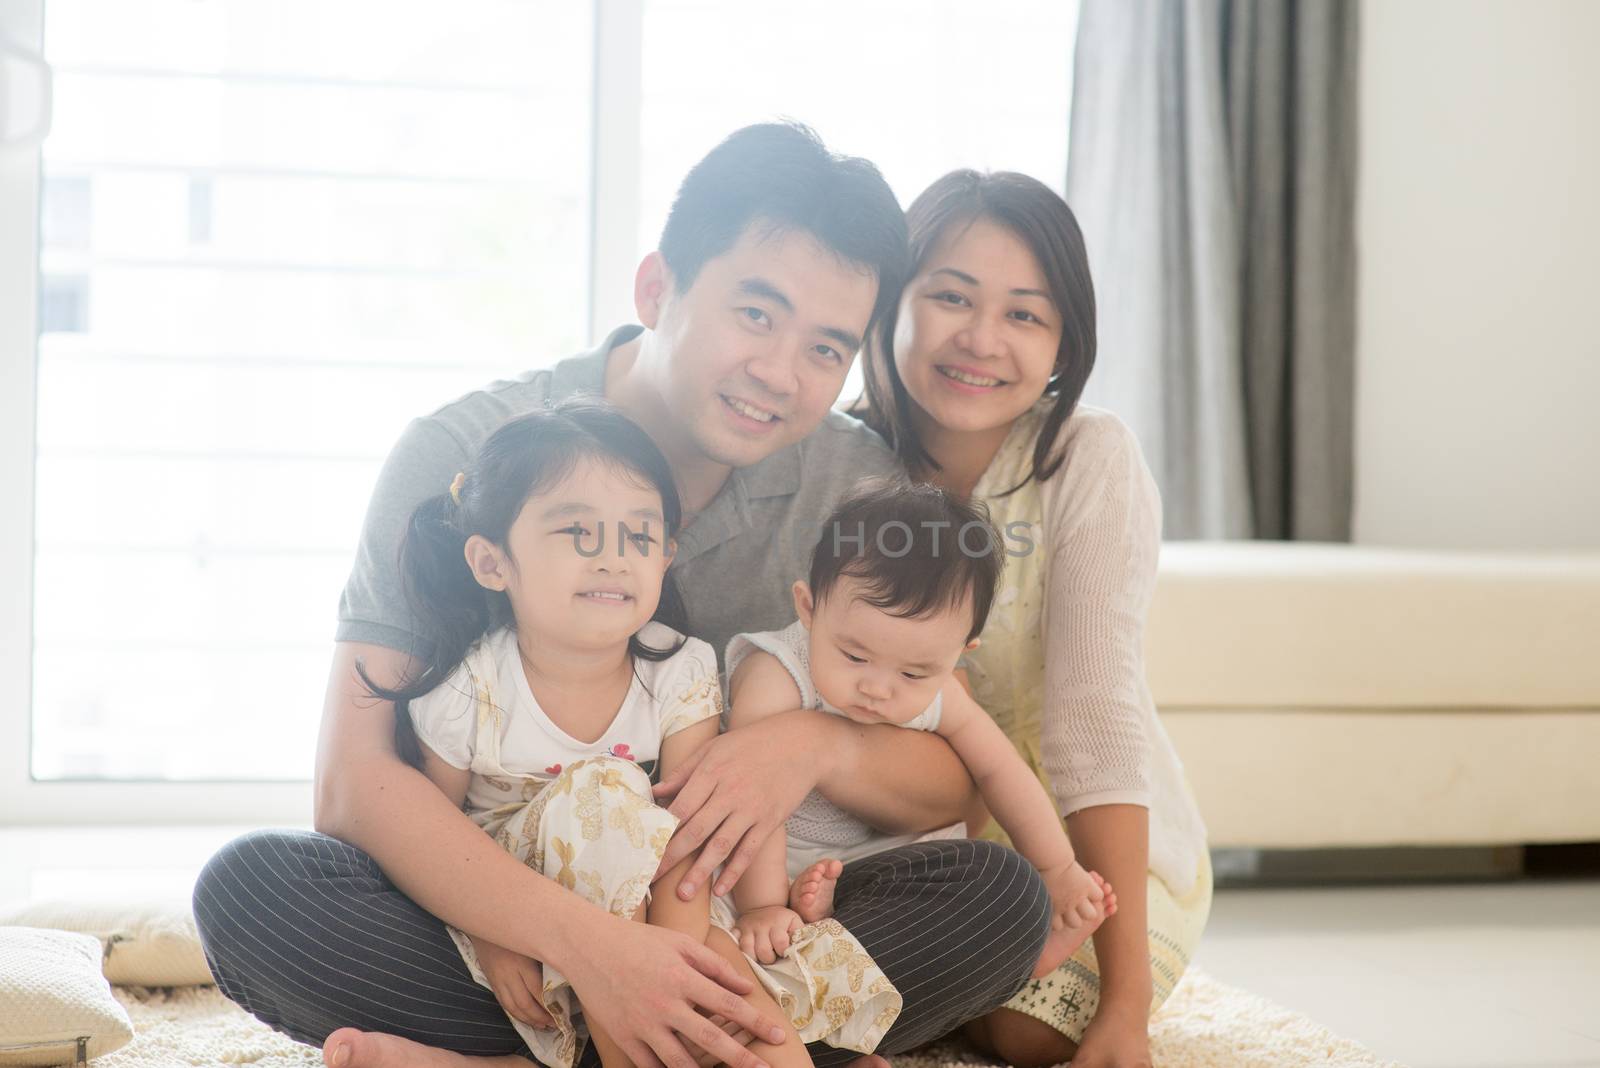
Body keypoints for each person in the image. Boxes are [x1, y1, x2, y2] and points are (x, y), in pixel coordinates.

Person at [193, 124, 1052, 1068]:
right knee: (255, 895)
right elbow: (354, 785)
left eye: (826, 348)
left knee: (1000, 898)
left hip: (730, 913)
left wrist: (814, 743)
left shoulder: (858, 490)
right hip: (501, 920)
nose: (781, 374)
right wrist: (595, 949)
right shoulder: (463, 454)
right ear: (657, 289)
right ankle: (731, 1044)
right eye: (756, 316)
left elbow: (950, 786)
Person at [358, 401, 900, 1068]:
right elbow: (437, 839)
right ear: (492, 562)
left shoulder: (682, 670)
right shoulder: (469, 689)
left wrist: (681, 964)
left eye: (639, 539)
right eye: (579, 534)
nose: (613, 559)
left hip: (668, 906)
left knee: (736, 990)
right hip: (519, 922)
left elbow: (692, 840)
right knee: (609, 798)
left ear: (666, 556)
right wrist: (493, 938)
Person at [859, 170, 1212, 1068]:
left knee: (1028, 1030)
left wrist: (1124, 1012)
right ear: (890, 299)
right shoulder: (839, 461)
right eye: (950, 296)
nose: (982, 339)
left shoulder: (1088, 458)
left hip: (1082, 820)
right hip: (896, 823)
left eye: (1025, 313)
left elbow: (1095, 719)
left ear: (1063, 341)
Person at [721, 480, 1117, 978]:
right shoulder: (776, 673)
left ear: (959, 655)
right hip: (763, 862)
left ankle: (1019, 963)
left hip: (875, 865)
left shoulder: (940, 688)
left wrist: (1056, 867)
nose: (879, 688)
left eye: (913, 673)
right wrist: (762, 904)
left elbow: (999, 769)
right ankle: (816, 967)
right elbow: (752, 794)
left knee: (982, 881)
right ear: (808, 607)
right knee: (727, 932)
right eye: (854, 655)